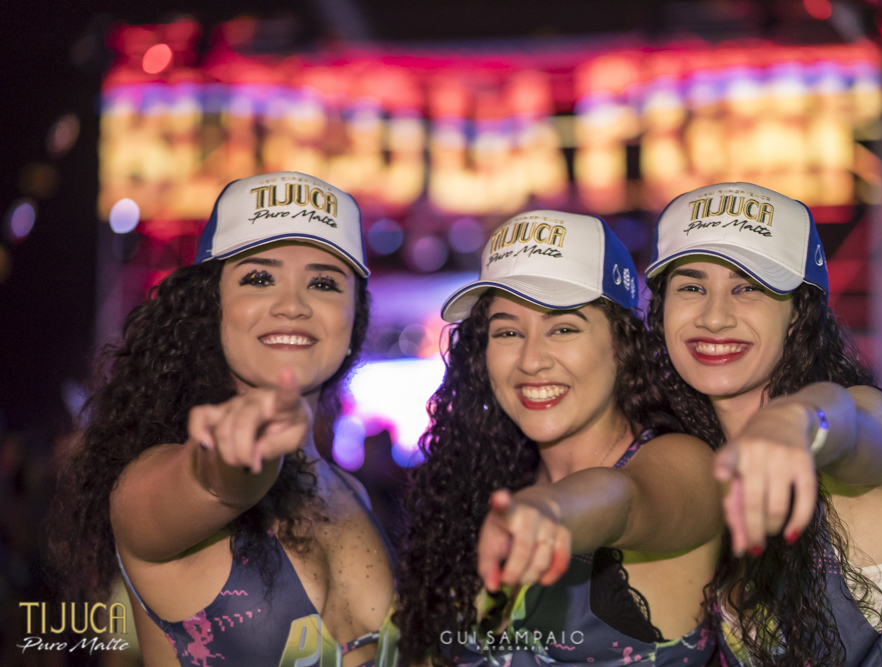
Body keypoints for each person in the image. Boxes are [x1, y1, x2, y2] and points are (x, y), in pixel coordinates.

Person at [48, 172, 396, 667]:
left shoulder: (352, 493)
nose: (292, 305)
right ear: (211, 309)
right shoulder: (148, 484)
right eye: (259, 278)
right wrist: (231, 463)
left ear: (355, 317)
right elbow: (213, 482)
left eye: (323, 283)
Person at [644, 182, 882, 665]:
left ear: (797, 314)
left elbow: (853, 422)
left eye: (748, 288)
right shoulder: (696, 461)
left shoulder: (861, 418)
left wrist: (797, 422)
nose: (714, 317)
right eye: (691, 287)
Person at [395, 210, 723, 667]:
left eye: (563, 328)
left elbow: (621, 499)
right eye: (508, 332)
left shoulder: (681, 463)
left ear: (623, 345)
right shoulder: (483, 490)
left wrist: (551, 511)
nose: (531, 361)